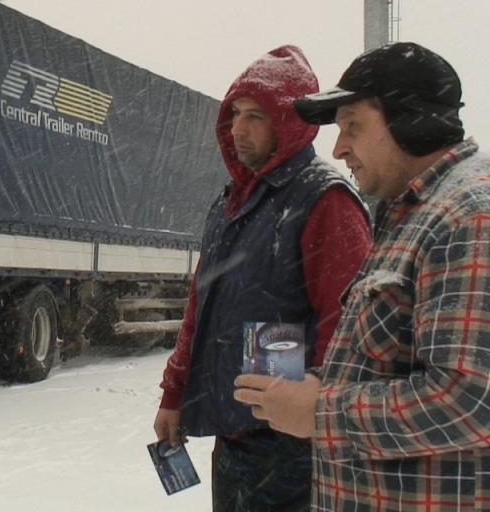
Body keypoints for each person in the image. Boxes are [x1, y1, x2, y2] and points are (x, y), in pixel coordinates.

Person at [233, 41, 489, 511]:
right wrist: (312, 383)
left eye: (353, 125)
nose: (338, 146)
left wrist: (321, 411)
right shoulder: (411, 213)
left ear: (412, 122)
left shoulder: (468, 219)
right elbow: (381, 359)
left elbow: (471, 399)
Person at [154, 45, 371, 511]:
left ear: (290, 124)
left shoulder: (325, 200)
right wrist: (174, 394)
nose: (238, 129)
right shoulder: (231, 203)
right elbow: (201, 307)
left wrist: (319, 409)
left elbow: (349, 327)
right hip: (234, 439)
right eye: (235, 114)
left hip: (294, 447)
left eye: (257, 116)